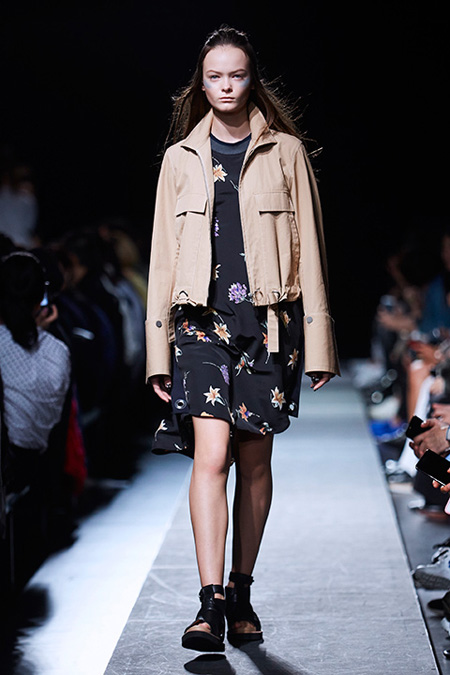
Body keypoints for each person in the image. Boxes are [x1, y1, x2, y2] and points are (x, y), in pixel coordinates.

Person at [146, 25, 339, 652]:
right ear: (200, 84)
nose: (226, 86)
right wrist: (157, 351)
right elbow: (161, 261)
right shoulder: (179, 159)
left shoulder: (287, 153)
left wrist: (320, 343)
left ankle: (242, 591)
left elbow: (311, 250)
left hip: (267, 326)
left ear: (252, 79)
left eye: (236, 75)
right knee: (211, 456)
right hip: (198, 322)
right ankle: (209, 605)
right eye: (215, 77)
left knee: (255, 461)